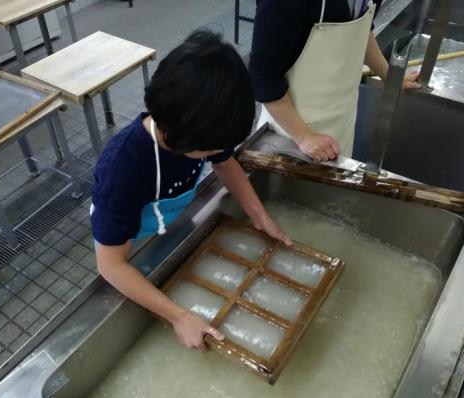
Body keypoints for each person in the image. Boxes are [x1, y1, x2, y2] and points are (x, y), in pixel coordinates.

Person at [91, 30, 291, 352]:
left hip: (167, 225)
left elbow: (226, 164)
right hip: (128, 244)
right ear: (184, 137)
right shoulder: (123, 168)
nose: (217, 153)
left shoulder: (201, 130)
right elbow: (111, 265)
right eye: (210, 149)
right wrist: (179, 316)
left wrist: (260, 216)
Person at [249, 0, 421, 162]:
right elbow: (262, 76)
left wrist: (389, 75)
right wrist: (303, 136)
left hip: (343, 124)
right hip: (290, 136)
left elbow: (361, 31)